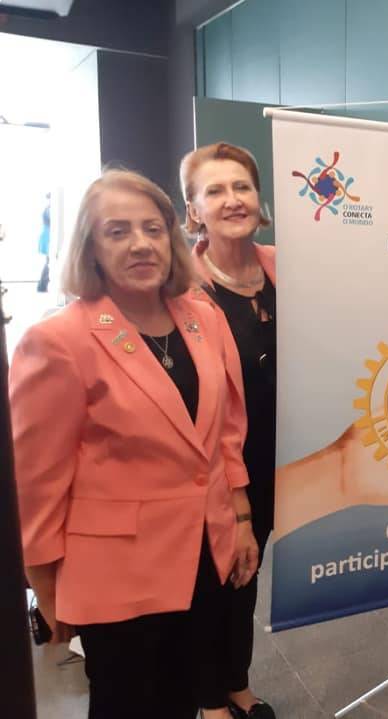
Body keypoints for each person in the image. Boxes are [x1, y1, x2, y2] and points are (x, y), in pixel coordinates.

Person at [10, 169, 258, 719]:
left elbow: (224, 430)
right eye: (117, 231)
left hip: (203, 553)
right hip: (117, 574)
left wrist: (240, 518)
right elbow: (36, 482)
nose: (141, 244)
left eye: (152, 228)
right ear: (91, 248)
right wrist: (46, 589)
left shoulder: (203, 317)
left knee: (184, 696)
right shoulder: (58, 341)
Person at [180, 142, 277, 719]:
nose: (232, 199)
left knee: (247, 571)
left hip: (273, 456)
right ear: (194, 210)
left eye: (241, 187)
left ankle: (237, 680)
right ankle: (208, 697)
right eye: (214, 191)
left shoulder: (283, 268)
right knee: (209, 579)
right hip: (211, 461)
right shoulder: (181, 288)